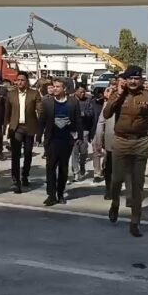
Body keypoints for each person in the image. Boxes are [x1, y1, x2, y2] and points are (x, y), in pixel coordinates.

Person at [103, 66, 148, 238]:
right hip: (121, 141)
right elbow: (107, 114)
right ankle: (115, 202)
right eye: (130, 78)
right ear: (125, 80)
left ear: (141, 80)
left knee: (138, 184)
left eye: (136, 78)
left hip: (140, 142)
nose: (133, 81)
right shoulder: (118, 94)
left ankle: (135, 221)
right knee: (116, 179)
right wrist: (118, 94)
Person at [40, 78, 83, 206]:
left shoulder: (73, 102)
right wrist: (38, 135)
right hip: (52, 139)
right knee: (50, 167)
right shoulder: (47, 102)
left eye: (58, 86)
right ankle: (51, 195)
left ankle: (60, 193)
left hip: (66, 140)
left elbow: (78, 120)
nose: (55, 89)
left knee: (63, 168)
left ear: (64, 89)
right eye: (54, 86)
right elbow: (42, 120)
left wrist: (79, 136)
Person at [5, 71, 43, 194]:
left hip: (29, 127)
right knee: (15, 155)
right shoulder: (11, 94)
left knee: (28, 153)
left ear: (27, 82)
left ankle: (25, 175)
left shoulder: (34, 93)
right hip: (16, 128)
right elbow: (7, 112)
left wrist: (40, 124)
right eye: (18, 80)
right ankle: (16, 181)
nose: (20, 82)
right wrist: (6, 126)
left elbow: (40, 109)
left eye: (22, 80)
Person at [70, 84, 93, 182]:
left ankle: (82, 164)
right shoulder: (70, 100)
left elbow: (91, 113)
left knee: (83, 151)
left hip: (84, 130)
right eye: (81, 92)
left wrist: (84, 114)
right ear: (75, 91)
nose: (83, 94)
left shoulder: (88, 101)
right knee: (74, 152)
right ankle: (76, 172)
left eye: (84, 92)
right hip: (73, 130)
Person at [88, 89, 106, 182]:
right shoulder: (91, 103)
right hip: (95, 131)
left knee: (108, 152)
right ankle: (97, 173)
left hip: (108, 131)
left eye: (100, 95)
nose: (99, 97)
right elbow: (89, 118)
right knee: (96, 152)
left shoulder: (108, 103)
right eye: (97, 95)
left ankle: (105, 167)